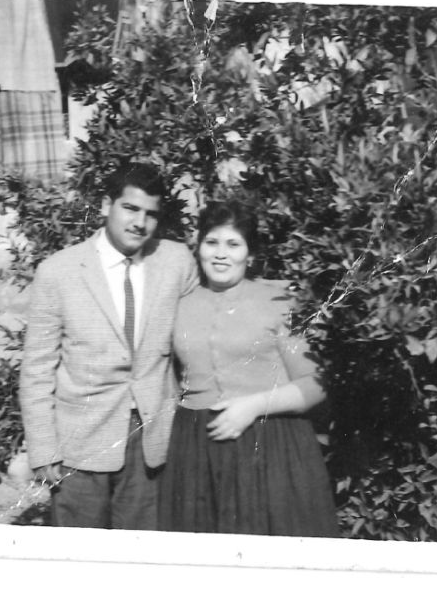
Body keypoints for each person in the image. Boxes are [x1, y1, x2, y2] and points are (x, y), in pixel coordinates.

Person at [19, 162, 198, 530]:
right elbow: (37, 369)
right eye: (130, 208)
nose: (140, 223)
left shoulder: (175, 262)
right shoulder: (59, 272)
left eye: (150, 214)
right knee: (80, 561)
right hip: (78, 446)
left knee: (144, 558)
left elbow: (201, 343)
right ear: (105, 205)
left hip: (151, 442)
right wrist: (42, 449)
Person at [158, 200, 340, 537]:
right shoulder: (180, 306)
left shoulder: (279, 303)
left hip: (269, 448)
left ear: (250, 255)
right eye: (211, 242)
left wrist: (253, 406)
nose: (220, 254)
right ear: (198, 249)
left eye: (233, 244)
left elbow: (317, 382)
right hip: (196, 451)